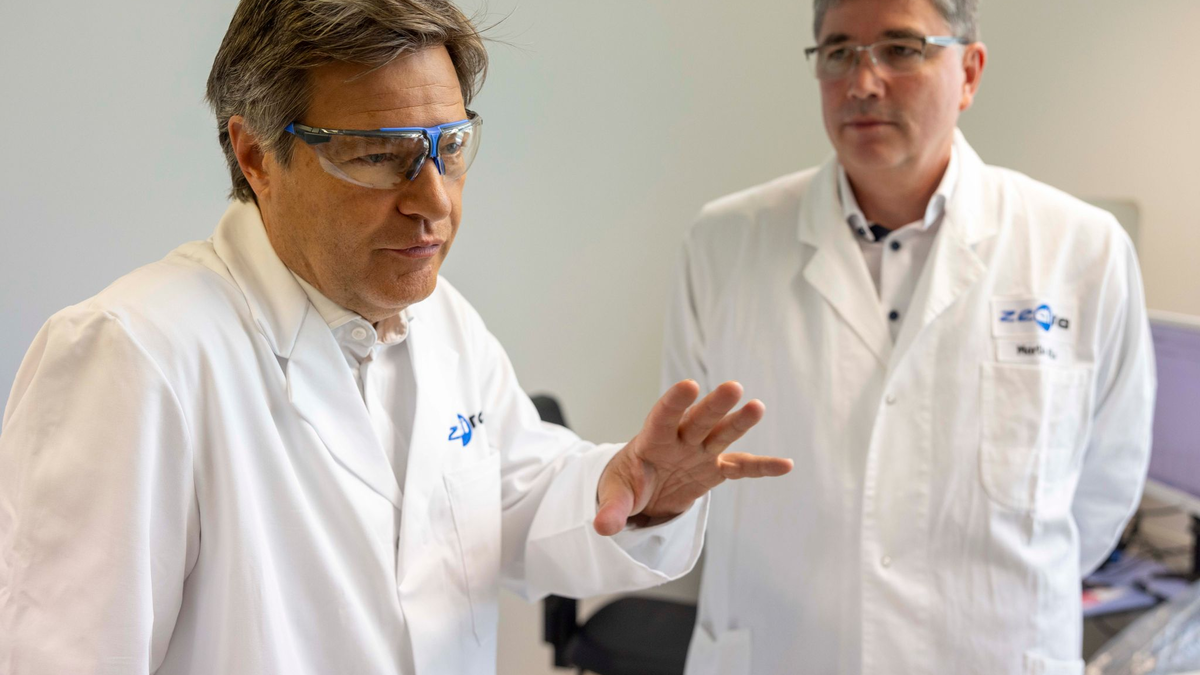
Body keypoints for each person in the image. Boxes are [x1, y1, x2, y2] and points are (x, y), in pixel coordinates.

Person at [0, 1, 794, 673]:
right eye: (380, 156)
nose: (435, 203)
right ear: (256, 155)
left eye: (449, 149)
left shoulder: (441, 321)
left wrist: (629, 487)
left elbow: (510, 501)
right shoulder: (134, 354)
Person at [663, 0, 1155, 673]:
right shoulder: (722, 243)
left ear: (971, 72)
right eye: (838, 52)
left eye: (901, 48)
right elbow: (688, 469)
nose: (863, 83)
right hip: (783, 649)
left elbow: (1105, 490)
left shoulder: (1081, 250)